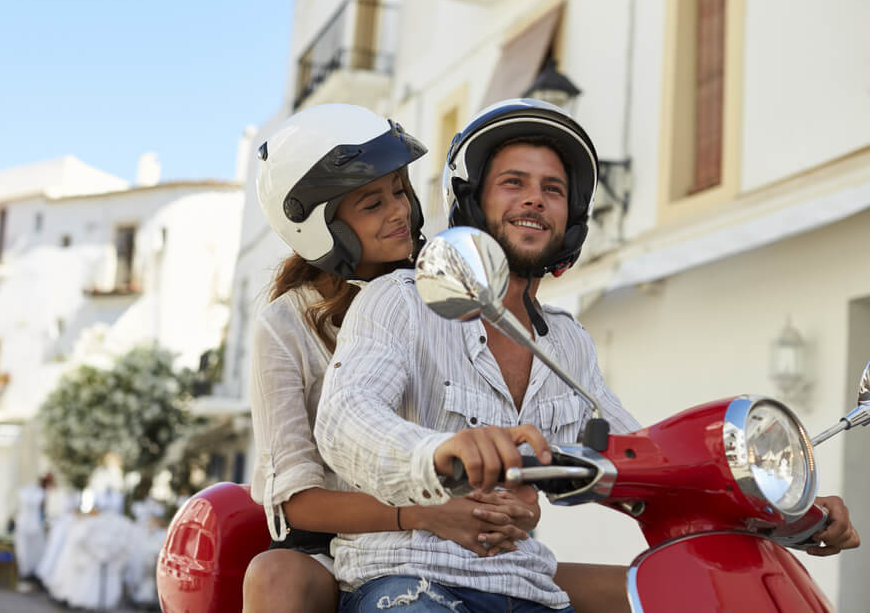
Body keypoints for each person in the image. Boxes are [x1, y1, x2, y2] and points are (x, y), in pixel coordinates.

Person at [314, 98, 860, 612]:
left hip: (528, 590)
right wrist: (440, 452)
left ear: (570, 215)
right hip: (408, 581)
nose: (534, 198)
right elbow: (347, 419)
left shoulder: (568, 344)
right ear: (471, 199)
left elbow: (652, 463)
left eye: (553, 188)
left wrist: (791, 515)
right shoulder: (404, 299)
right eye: (513, 183)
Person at [244, 103, 541, 613]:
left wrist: (516, 497)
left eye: (400, 191)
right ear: (320, 225)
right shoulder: (284, 327)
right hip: (343, 551)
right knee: (275, 576)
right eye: (371, 203)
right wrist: (423, 514)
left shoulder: (445, 295)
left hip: (458, 541)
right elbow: (297, 503)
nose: (399, 210)